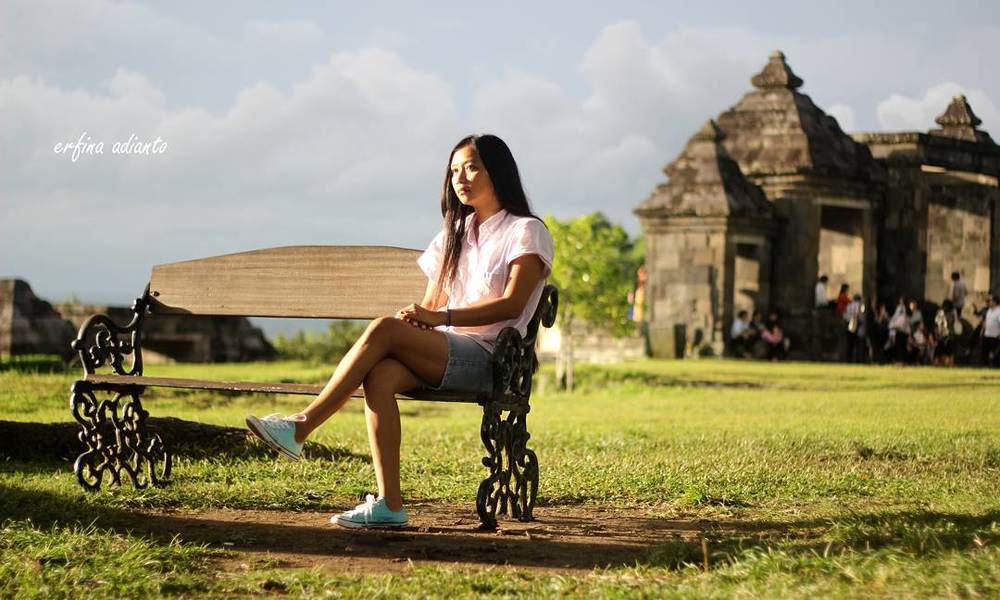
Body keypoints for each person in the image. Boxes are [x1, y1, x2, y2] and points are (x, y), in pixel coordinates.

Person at [244, 134, 554, 528]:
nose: (461, 178)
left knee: (384, 329)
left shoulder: (525, 231)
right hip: (448, 350)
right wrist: (422, 320)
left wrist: (440, 319)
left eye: (472, 167)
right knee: (381, 373)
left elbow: (511, 305)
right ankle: (391, 504)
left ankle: (301, 427)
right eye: (455, 170)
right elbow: (431, 302)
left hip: (492, 358)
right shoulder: (453, 234)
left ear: (499, 172)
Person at [981, 293, 1000, 368]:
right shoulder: (989, 311)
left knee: (995, 353)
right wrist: (983, 330)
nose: (990, 302)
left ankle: (995, 367)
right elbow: (986, 322)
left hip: (995, 336)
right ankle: (986, 366)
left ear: (995, 302)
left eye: (991, 301)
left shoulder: (999, 311)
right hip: (987, 334)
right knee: (984, 351)